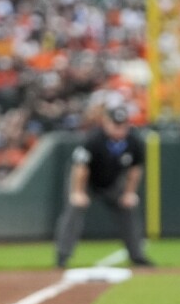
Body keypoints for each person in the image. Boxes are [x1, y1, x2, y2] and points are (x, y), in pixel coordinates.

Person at [53, 105, 154, 269]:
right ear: (106, 123)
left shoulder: (133, 141)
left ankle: (137, 256)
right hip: (87, 182)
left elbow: (135, 170)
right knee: (73, 209)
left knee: (128, 209)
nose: (119, 129)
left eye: (122, 125)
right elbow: (80, 168)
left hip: (112, 183)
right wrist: (78, 192)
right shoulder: (94, 139)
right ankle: (62, 256)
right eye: (115, 124)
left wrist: (129, 193)